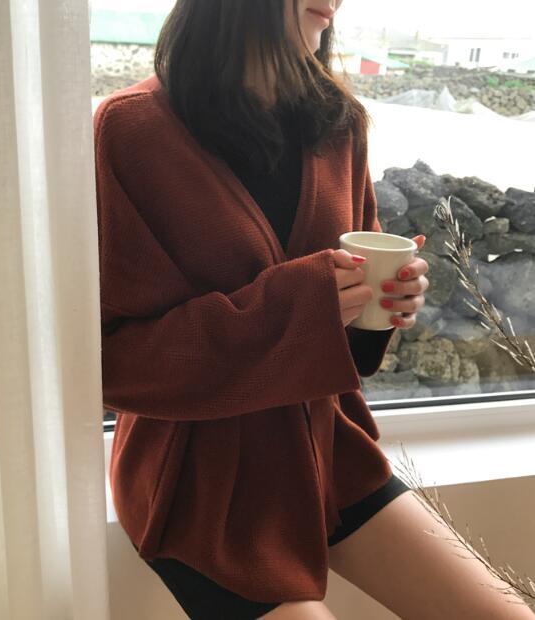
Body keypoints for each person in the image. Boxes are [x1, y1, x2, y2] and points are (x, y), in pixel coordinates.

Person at [94, 1, 535, 619]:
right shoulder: (131, 131)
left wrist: (380, 303)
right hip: (199, 483)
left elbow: (339, 317)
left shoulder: (338, 125)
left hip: (328, 451)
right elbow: (113, 360)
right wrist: (303, 302)